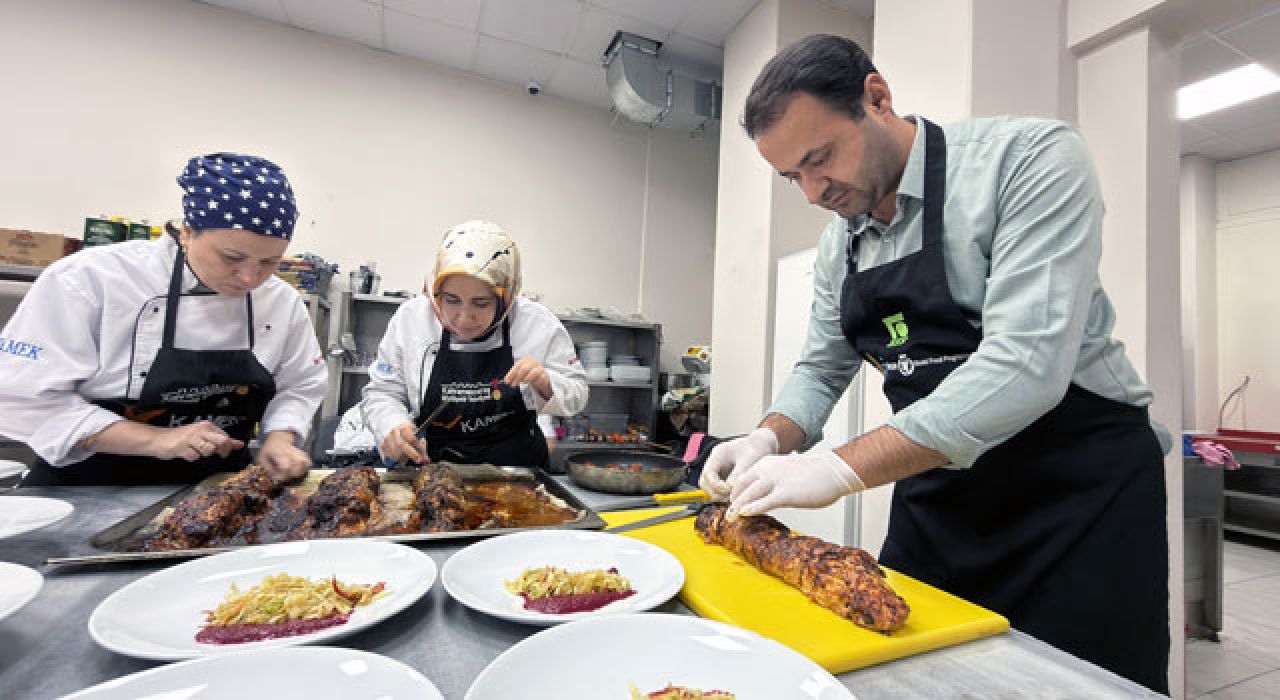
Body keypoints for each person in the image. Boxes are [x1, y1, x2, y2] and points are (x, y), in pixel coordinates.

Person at [699, 35, 1170, 693]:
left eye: (819, 159)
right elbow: (821, 368)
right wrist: (766, 437)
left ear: (876, 98)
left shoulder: (1028, 161)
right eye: (791, 177)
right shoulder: (844, 245)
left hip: (1077, 493)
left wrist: (834, 468)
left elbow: (1024, 364)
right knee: (901, 674)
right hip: (944, 496)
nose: (811, 193)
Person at [0, 153, 328, 485]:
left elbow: (300, 384)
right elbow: (22, 397)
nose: (249, 277)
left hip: (215, 491)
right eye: (232, 257)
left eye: (269, 262)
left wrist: (280, 438)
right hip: (87, 486)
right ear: (186, 231)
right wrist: (156, 439)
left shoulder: (281, 301)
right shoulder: (89, 280)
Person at [355, 220, 586, 468]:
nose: (463, 318)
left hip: (515, 474)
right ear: (436, 291)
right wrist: (394, 425)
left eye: (481, 303)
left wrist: (546, 382)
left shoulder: (538, 324)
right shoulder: (411, 319)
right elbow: (382, 392)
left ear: (506, 298)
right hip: (432, 470)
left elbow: (577, 394)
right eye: (451, 300)